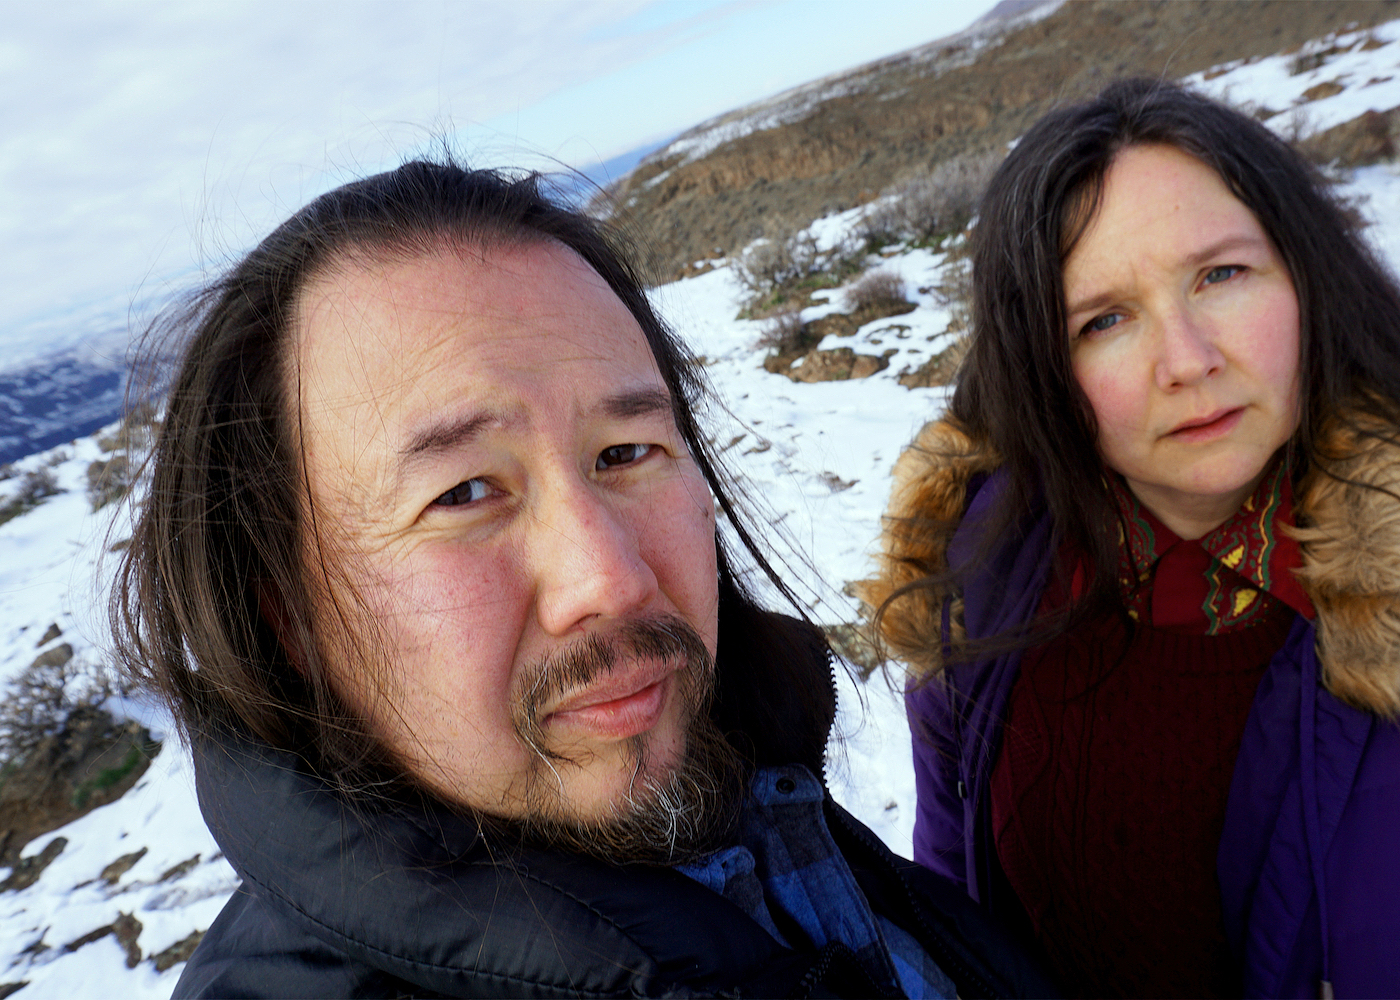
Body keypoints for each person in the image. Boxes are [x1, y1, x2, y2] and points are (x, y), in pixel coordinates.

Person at [111, 161, 1052, 999]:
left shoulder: (765, 807)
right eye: (465, 492)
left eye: (626, 450)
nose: (611, 576)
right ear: (289, 618)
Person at [858, 78, 1400, 999]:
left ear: (1307, 274)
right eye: (1104, 320)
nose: (1187, 360)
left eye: (1221, 274)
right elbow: (952, 889)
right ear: (1040, 366)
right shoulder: (982, 560)